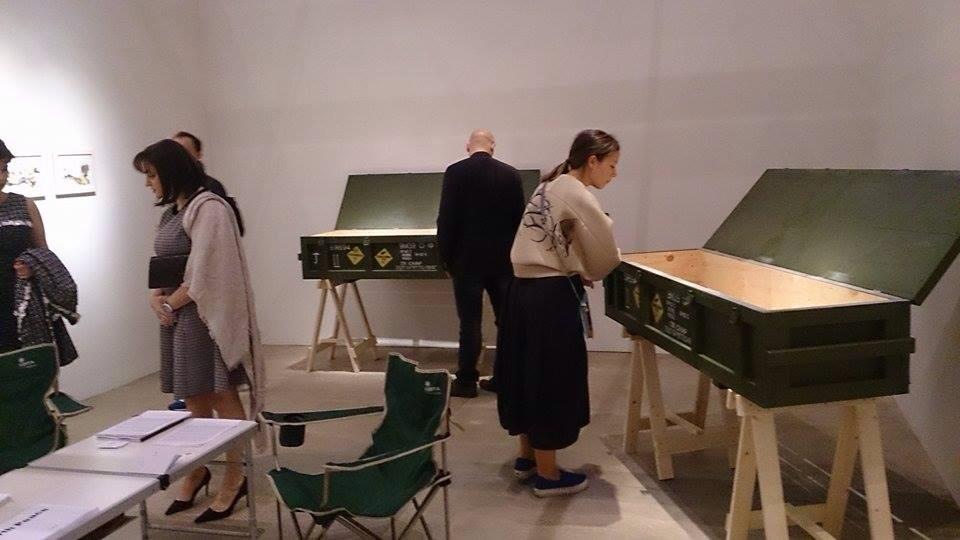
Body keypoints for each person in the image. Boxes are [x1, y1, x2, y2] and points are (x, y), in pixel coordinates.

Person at [134, 139, 265, 523]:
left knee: (222, 395)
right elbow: (163, 262)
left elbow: (207, 270)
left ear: (171, 171)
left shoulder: (209, 208)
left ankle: (236, 476)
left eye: (152, 175)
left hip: (204, 318)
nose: (148, 183)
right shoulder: (171, 213)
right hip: (179, 317)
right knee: (193, 397)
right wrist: (155, 296)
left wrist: (170, 303)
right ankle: (198, 468)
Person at [496, 129, 621, 497]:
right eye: (611, 165)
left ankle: (527, 458)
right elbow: (604, 252)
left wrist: (577, 266)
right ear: (592, 160)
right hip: (549, 298)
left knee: (524, 372)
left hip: (521, 291)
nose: (614, 173)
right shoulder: (576, 192)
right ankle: (548, 476)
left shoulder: (548, 185)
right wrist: (590, 269)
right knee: (551, 377)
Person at [437, 129, 525, 398]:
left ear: (468, 147)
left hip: (466, 261)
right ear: (493, 147)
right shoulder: (511, 174)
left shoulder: (455, 172)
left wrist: (446, 259)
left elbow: (446, 219)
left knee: (470, 322)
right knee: (506, 322)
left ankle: (466, 381)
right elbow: (520, 221)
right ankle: (504, 379)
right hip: (504, 262)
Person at [0, 138, 48, 353]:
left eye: (3, 169)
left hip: (23, 300)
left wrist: (32, 265)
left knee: (29, 363)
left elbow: (44, 255)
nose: (1, 177)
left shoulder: (24, 204)